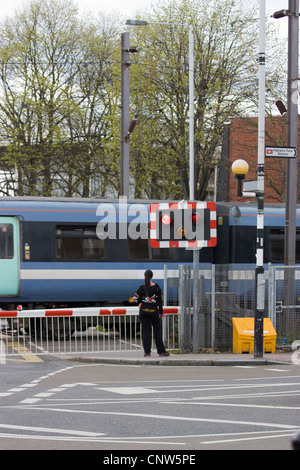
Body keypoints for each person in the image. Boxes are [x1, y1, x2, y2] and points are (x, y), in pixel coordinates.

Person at [133, 270, 170, 357]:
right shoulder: (156, 287)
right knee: (157, 332)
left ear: (144, 277)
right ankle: (161, 352)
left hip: (143, 312)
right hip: (154, 312)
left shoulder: (141, 287)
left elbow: (135, 298)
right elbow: (159, 302)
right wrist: (161, 313)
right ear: (152, 277)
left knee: (146, 332)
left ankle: (147, 353)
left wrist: (140, 302)